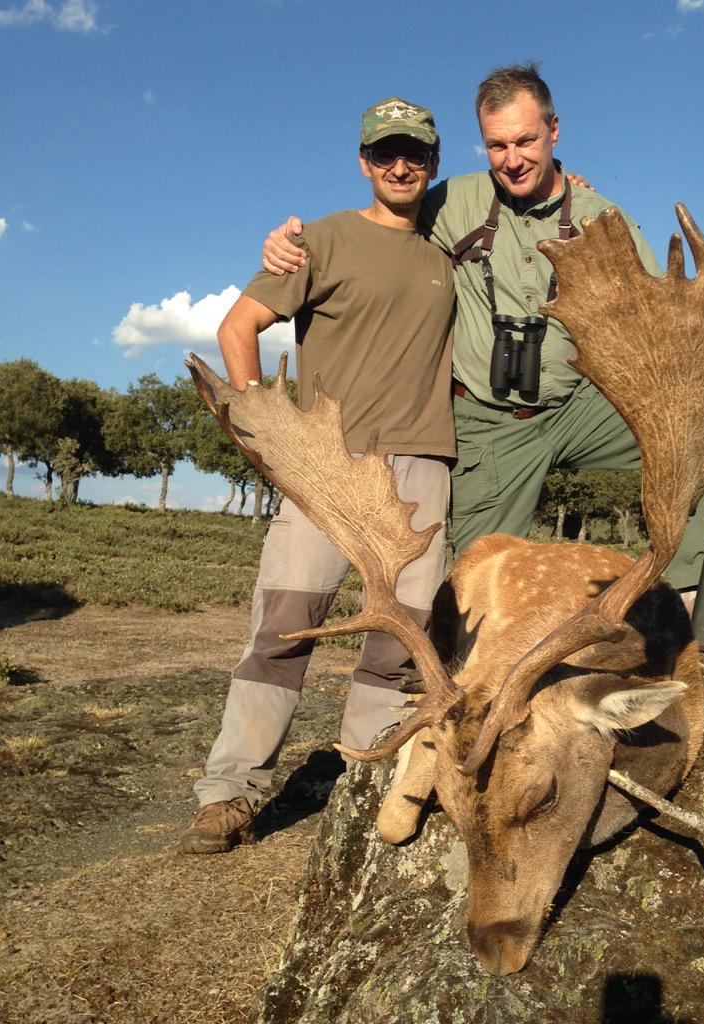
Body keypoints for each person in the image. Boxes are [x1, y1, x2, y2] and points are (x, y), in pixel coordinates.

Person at [262, 64, 704, 613]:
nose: (513, 159)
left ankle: (699, 599)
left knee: (696, 425)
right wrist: (287, 245)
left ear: (555, 130)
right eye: (496, 145)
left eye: (526, 140)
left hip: (580, 406)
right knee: (475, 588)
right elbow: (381, 222)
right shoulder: (447, 202)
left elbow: (665, 322)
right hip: (489, 422)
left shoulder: (601, 217)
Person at [179, 97, 456, 854]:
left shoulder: (451, 253)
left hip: (422, 465)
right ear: (365, 161)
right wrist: (266, 439)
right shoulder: (320, 242)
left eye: (416, 154)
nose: (401, 166)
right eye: (385, 153)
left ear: (433, 163)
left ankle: (367, 780)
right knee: (283, 628)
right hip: (327, 468)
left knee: (398, 640)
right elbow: (238, 328)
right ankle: (230, 791)